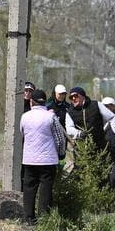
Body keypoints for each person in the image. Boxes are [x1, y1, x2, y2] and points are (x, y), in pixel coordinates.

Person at [20, 89, 65, 223]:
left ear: (31, 101)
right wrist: (61, 154)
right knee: (45, 190)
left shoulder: (25, 116)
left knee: (29, 188)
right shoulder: (51, 117)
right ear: (45, 102)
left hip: (29, 159)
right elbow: (60, 139)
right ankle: (43, 218)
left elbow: (22, 133)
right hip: (48, 160)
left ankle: (28, 218)